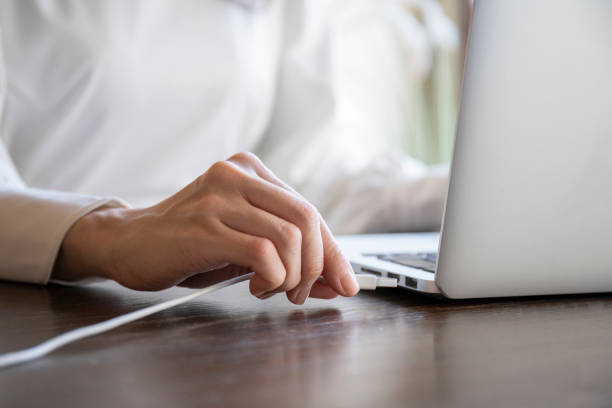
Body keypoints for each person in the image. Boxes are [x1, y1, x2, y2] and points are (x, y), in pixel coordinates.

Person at [0, 0, 449, 304]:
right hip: (49, 301)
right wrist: (112, 233)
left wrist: (467, 191)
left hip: (209, 312)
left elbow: (310, 178)